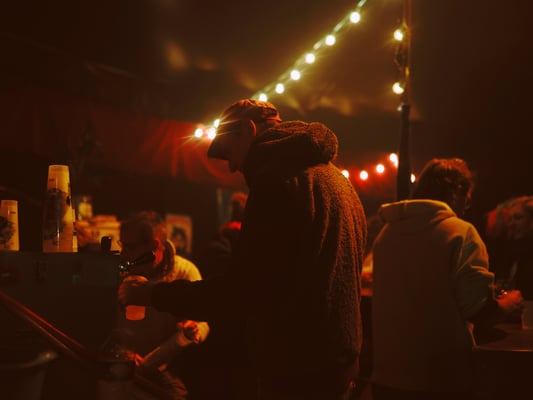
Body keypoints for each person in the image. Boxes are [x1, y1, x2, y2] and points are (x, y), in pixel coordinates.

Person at [119, 99, 367, 400]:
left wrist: (151, 294)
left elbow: (241, 292)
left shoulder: (277, 182)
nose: (233, 166)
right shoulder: (339, 181)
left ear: (249, 130)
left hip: (296, 373)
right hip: (340, 367)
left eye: (230, 152)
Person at [370, 157, 523, 400]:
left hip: (386, 379)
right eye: (467, 198)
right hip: (439, 382)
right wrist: (510, 302)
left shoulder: (386, 234)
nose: (467, 206)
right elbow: (480, 311)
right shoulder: (460, 233)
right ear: (458, 191)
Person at [116, 211, 210, 400]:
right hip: (122, 366)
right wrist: (121, 353)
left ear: (154, 245)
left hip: (165, 371)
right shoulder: (119, 272)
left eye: (130, 247)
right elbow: (101, 323)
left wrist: (194, 328)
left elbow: (204, 321)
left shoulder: (185, 272)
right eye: (122, 245)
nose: (123, 254)